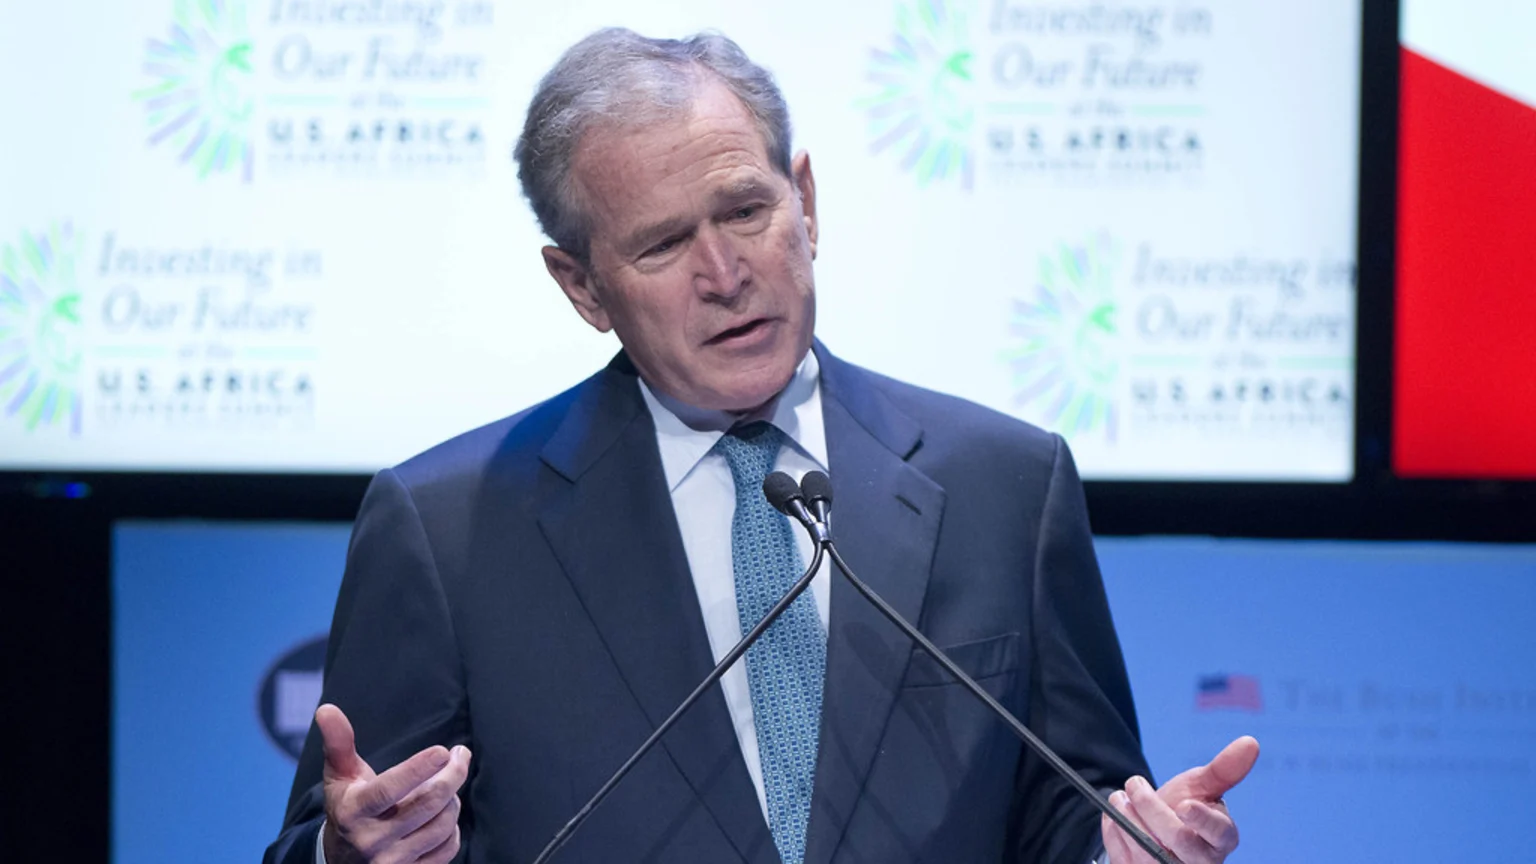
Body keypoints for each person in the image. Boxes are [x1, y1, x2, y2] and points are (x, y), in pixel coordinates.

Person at [265, 27, 1258, 864]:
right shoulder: (447, 530)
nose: (726, 272)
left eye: (748, 211)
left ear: (807, 203)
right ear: (581, 287)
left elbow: (1068, 809)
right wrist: (350, 852)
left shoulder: (1006, 484)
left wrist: (1123, 850)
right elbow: (331, 833)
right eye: (661, 245)